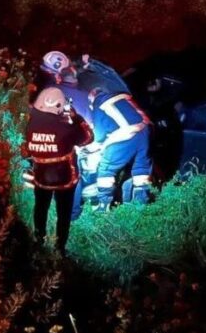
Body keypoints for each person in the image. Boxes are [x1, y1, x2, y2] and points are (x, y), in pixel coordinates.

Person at [22, 87, 93, 253]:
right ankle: (60, 248)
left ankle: (39, 240)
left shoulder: (31, 124)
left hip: (41, 178)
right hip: (65, 179)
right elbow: (88, 138)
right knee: (64, 214)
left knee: (40, 208)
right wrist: (76, 118)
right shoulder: (65, 128)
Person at [88, 86, 153, 208]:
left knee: (106, 168)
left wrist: (96, 145)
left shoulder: (98, 101)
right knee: (141, 167)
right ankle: (141, 203)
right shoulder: (121, 99)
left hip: (127, 134)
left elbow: (99, 135)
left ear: (92, 97)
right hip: (144, 132)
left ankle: (104, 206)